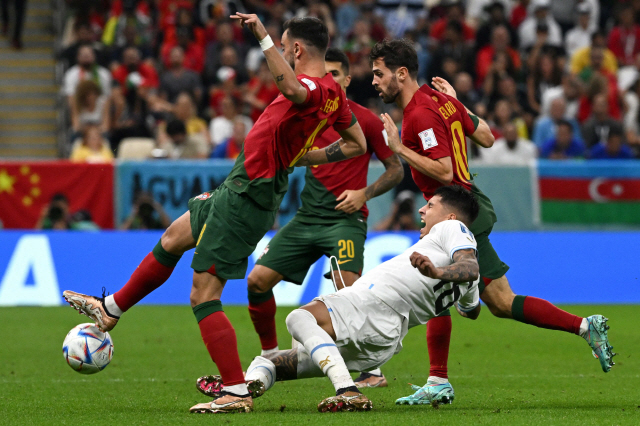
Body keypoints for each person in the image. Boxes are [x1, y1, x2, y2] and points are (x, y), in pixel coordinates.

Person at [62, 15, 367, 415]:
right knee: (174, 237)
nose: (282, 52)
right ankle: (112, 308)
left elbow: (292, 88)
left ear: (295, 49)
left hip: (248, 195)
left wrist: (262, 37)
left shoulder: (310, 86)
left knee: (203, 295)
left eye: (284, 46)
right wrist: (305, 156)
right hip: (240, 186)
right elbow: (357, 144)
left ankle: (236, 391)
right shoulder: (335, 95)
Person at [193, 186, 615, 412]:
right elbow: (470, 308)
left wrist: (437, 272)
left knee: (297, 319)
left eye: (429, 205)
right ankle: (244, 388)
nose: (422, 212)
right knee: (271, 362)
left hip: (373, 311)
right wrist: (446, 287)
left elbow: (468, 267)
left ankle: (348, 391)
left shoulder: (452, 231)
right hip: (384, 339)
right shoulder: (450, 258)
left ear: (450, 215)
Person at [368, 38, 615, 406]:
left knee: (434, 284)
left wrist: (399, 148)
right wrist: (458, 104)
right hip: (466, 204)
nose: (373, 81)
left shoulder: (418, 115)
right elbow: (485, 136)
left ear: (401, 74)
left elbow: (444, 170)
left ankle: (439, 376)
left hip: (453, 213)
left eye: (379, 73)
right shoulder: (442, 101)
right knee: (501, 301)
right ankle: (583, 326)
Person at [233, 48, 402, 389]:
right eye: (325, 74)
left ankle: (372, 371)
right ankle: (271, 354)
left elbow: (395, 170)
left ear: (347, 80)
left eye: (335, 74)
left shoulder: (366, 121)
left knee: (350, 295)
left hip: (345, 220)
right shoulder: (309, 116)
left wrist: (364, 193)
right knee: (256, 282)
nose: (328, 80)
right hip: (307, 218)